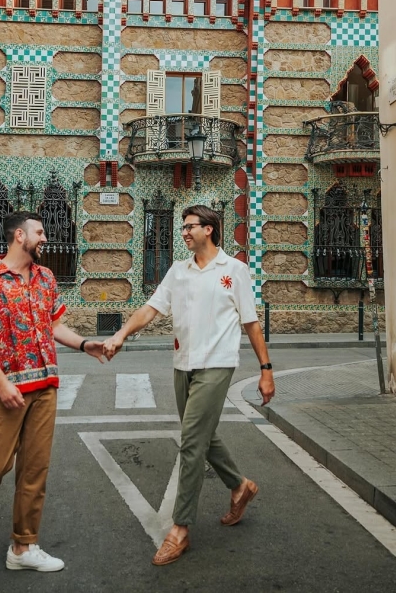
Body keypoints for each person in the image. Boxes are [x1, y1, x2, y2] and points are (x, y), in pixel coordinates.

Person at [103, 205, 275, 566]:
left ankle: (180, 529)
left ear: (209, 229)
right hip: (183, 365)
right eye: (182, 227)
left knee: (192, 444)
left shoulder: (235, 271)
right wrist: (121, 334)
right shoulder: (178, 272)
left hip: (217, 364)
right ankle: (240, 486)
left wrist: (266, 369)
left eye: (189, 226)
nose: (183, 232)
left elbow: (251, 322)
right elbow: (151, 308)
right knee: (202, 435)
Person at [0, 211, 105, 572]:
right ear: (19, 235)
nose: (45, 238)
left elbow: (55, 325)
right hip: (7, 390)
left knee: (35, 469)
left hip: (45, 386)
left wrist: (84, 344)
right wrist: (0, 383)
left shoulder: (46, 278)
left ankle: (22, 547)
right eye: (40, 232)